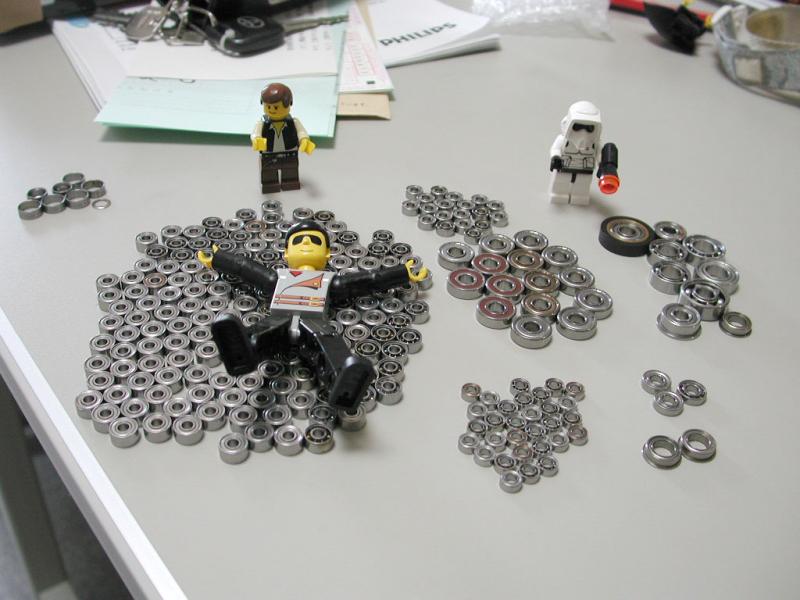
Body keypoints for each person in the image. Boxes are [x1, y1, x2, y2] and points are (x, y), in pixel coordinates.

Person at [197, 220, 429, 409]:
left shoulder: (329, 281)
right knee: (261, 334)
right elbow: (246, 268)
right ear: (286, 253)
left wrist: (402, 274)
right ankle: (243, 352)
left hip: (314, 320)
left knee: (330, 347)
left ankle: (342, 379)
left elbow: (368, 281)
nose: (306, 242)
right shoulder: (278, 277)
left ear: (327, 254)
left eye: (315, 240)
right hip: (280, 315)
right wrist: (219, 259)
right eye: (298, 241)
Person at [252, 83, 315, 193]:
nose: (272, 110)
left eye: (276, 107)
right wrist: (256, 139)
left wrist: (304, 140)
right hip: (269, 154)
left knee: (290, 171)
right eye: (268, 106)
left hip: (290, 152)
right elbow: (255, 133)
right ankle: (270, 185)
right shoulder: (262, 123)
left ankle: (290, 182)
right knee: (268, 172)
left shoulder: (293, 122)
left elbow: (301, 131)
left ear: (289, 104)